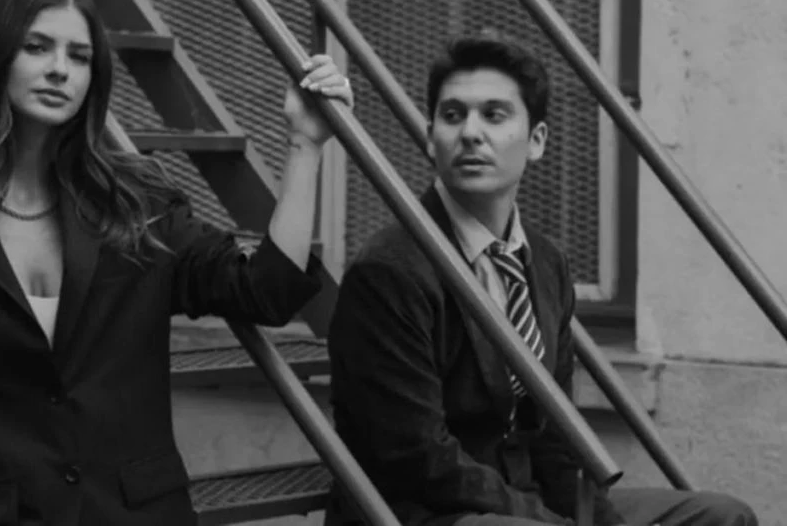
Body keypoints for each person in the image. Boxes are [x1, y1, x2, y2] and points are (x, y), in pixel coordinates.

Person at [0, 0, 352, 526]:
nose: (60, 69)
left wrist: (304, 145)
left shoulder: (134, 204)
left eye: (79, 56)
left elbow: (265, 291)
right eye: (37, 47)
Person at [323, 33, 756, 526]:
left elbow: (554, 437)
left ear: (537, 141)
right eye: (453, 115)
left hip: (523, 502)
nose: (470, 133)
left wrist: (593, 519)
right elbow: (417, 459)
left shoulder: (546, 262)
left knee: (721, 517)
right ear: (429, 137)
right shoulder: (388, 272)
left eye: (494, 115)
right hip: (424, 512)